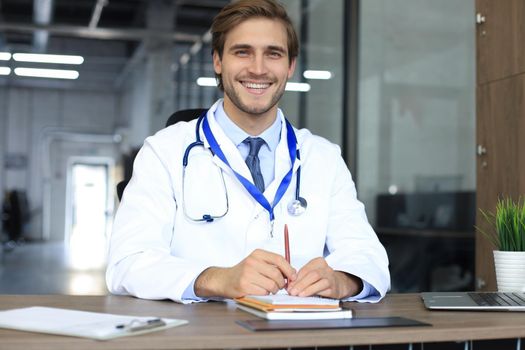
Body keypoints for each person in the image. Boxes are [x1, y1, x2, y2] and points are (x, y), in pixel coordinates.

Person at [106, 0, 390, 304]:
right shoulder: (164, 151)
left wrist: (342, 280)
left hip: (298, 335)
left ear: (290, 66)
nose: (258, 68)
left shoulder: (323, 157)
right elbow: (127, 263)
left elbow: (368, 257)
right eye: (242, 52)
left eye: (274, 54)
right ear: (217, 61)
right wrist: (217, 278)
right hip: (200, 336)